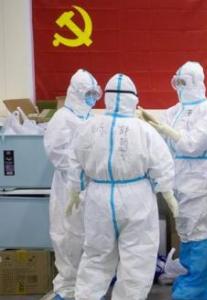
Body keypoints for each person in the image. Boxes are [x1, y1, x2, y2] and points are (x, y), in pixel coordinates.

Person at [65, 73, 179, 300]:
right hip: (136, 198)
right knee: (137, 258)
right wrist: (168, 195)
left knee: (96, 256)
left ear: (105, 97)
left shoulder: (89, 127)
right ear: (134, 98)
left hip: (98, 196)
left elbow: (74, 161)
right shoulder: (144, 130)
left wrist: (74, 191)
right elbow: (163, 164)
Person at [143, 61, 207, 300]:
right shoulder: (173, 111)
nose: (179, 86)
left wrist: (166, 131)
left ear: (198, 82)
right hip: (178, 179)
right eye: (177, 81)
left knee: (200, 232)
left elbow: (191, 144)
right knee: (187, 232)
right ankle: (189, 284)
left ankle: (198, 290)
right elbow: (164, 145)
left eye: (184, 82)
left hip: (201, 180)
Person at [43, 69, 100, 300]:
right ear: (75, 92)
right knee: (67, 237)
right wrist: (80, 165)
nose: (92, 99)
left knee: (90, 237)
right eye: (88, 94)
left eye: (94, 94)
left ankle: (87, 290)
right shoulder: (62, 118)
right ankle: (66, 290)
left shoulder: (91, 118)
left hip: (90, 187)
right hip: (68, 186)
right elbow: (56, 152)